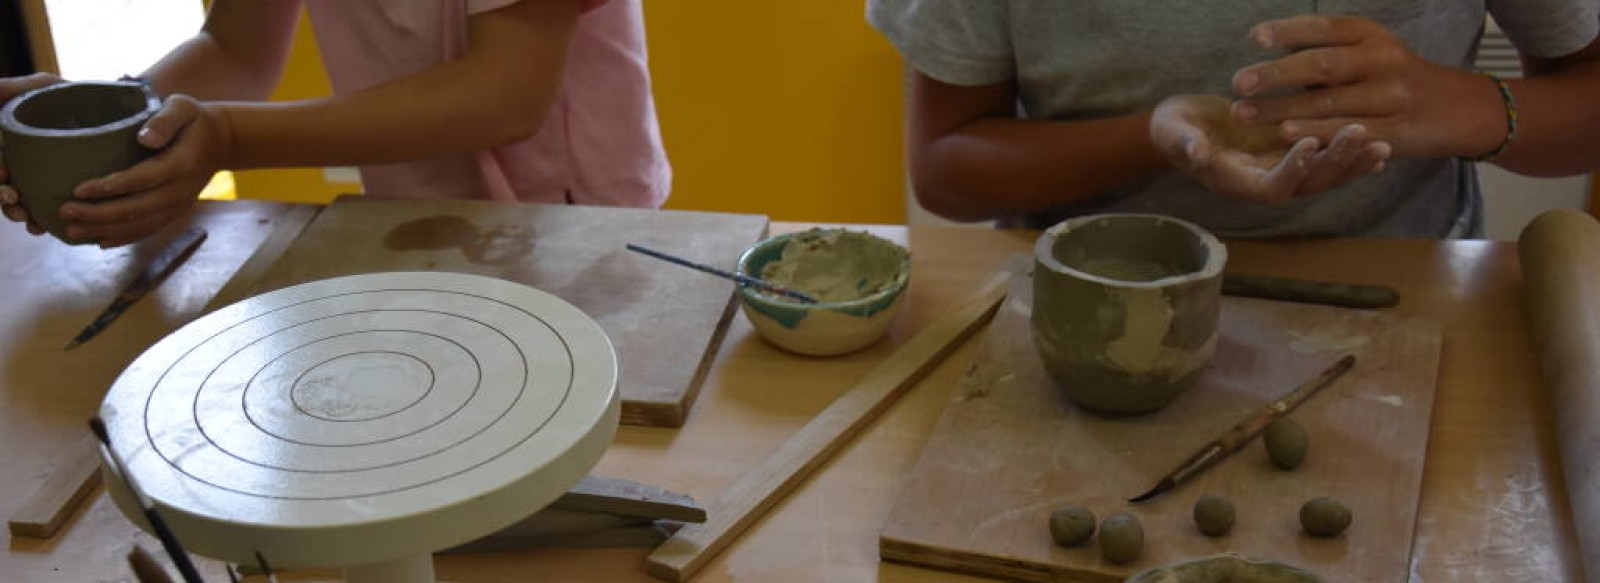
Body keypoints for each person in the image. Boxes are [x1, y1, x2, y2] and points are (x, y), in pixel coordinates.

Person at [867, 1, 1600, 238]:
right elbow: (946, 165)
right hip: (1087, 293)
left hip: (1414, 302)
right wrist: (1154, 139)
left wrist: (1465, 106)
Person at [0, 0, 670, 248]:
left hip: (574, 227)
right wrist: (118, 120)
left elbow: (506, 93)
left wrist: (227, 138)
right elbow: (237, 49)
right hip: (416, 219)